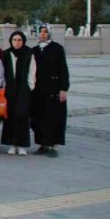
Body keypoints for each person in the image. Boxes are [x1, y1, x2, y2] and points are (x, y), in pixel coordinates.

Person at [32, 25, 69, 157]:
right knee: (39, 116)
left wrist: (64, 89)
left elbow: (63, 69)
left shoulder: (57, 49)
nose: (42, 34)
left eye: (45, 32)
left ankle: (54, 145)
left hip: (53, 88)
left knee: (54, 117)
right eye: (40, 32)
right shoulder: (35, 50)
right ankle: (43, 144)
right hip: (38, 90)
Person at [2, 31, 36, 156]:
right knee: (10, 116)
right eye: (15, 40)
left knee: (22, 116)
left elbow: (32, 71)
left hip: (23, 89)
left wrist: (29, 86)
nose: (17, 42)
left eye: (19, 40)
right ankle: (12, 144)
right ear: (11, 41)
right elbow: (3, 72)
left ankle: (22, 145)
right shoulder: (6, 54)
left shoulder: (28, 53)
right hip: (10, 89)